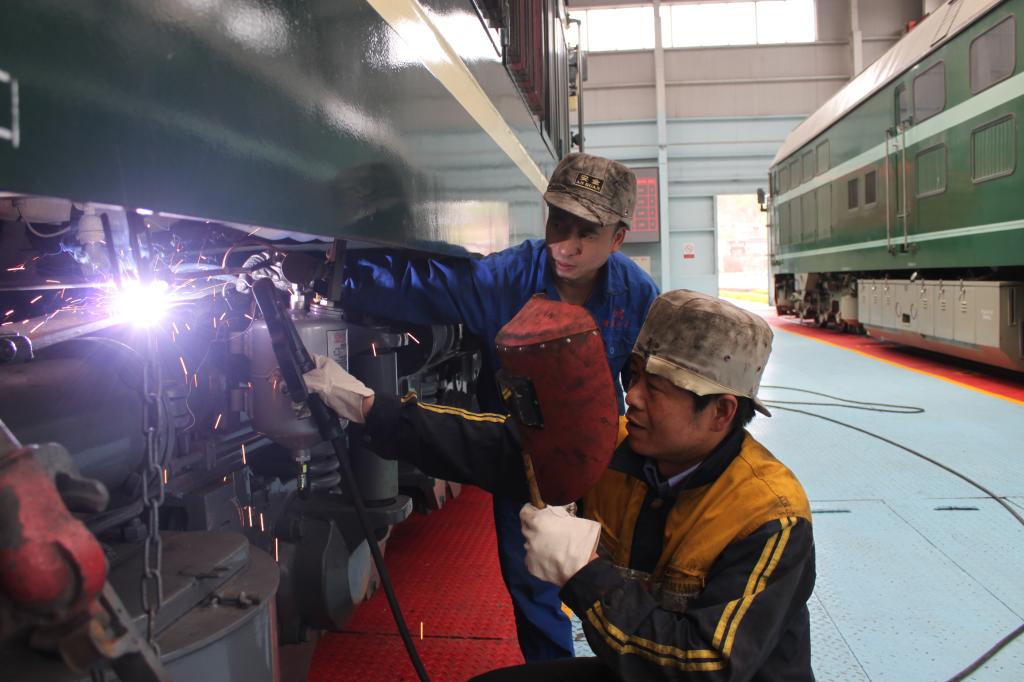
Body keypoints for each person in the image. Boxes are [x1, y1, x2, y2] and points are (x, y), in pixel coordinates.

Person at [307, 290, 816, 680]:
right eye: (634, 376)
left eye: (657, 388)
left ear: (721, 412)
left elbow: (705, 666)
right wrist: (370, 408)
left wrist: (585, 574)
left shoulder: (768, 516)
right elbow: (489, 444)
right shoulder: (612, 449)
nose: (634, 398)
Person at [338, 153, 659, 660]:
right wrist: (338, 273)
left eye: (587, 233)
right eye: (559, 223)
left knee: (618, 571)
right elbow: (426, 288)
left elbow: (646, 387)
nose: (566, 245)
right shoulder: (508, 277)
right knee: (532, 582)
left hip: (602, 450)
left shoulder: (636, 296)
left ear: (618, 238)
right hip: (522, 452)